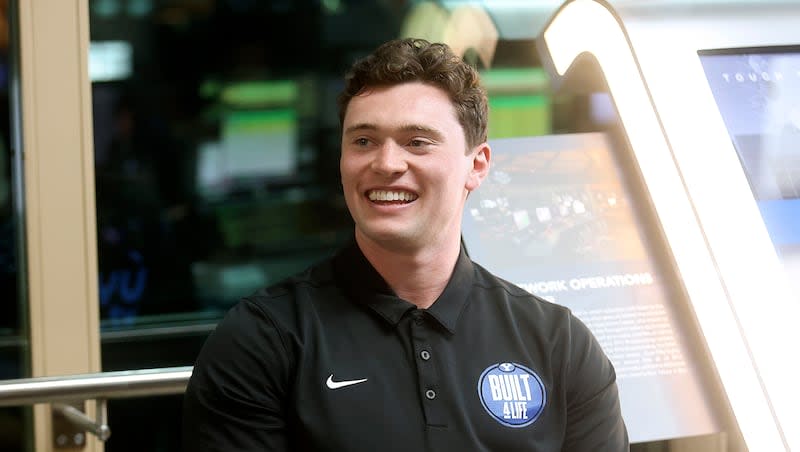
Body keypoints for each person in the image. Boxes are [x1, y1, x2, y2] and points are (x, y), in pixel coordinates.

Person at [182, 37, 629, 451]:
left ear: (478, 165)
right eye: (363, 141)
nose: (386, 163)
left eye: (417, 142)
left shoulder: (558, 343)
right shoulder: (263, 341)